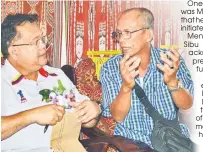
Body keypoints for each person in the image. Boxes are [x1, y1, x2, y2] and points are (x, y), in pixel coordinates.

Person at [1, 14, 101, 152]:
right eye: (36, 42)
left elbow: (88, 120)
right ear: (14, 51)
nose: (44, 46)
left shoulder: (56, 76)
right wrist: (32, 115)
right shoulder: (3, 82)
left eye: (43, 39)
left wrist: (93, 110)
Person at [100, 7, 194, 149]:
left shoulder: (170, 61)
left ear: (148, 35)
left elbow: (187, 105)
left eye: (128, 32)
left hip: (172, 141)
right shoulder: (111, 67)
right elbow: (117, 116)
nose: (121, 40)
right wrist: (126, 87)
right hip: (132, 144)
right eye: (118, 33)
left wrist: (173, 82)